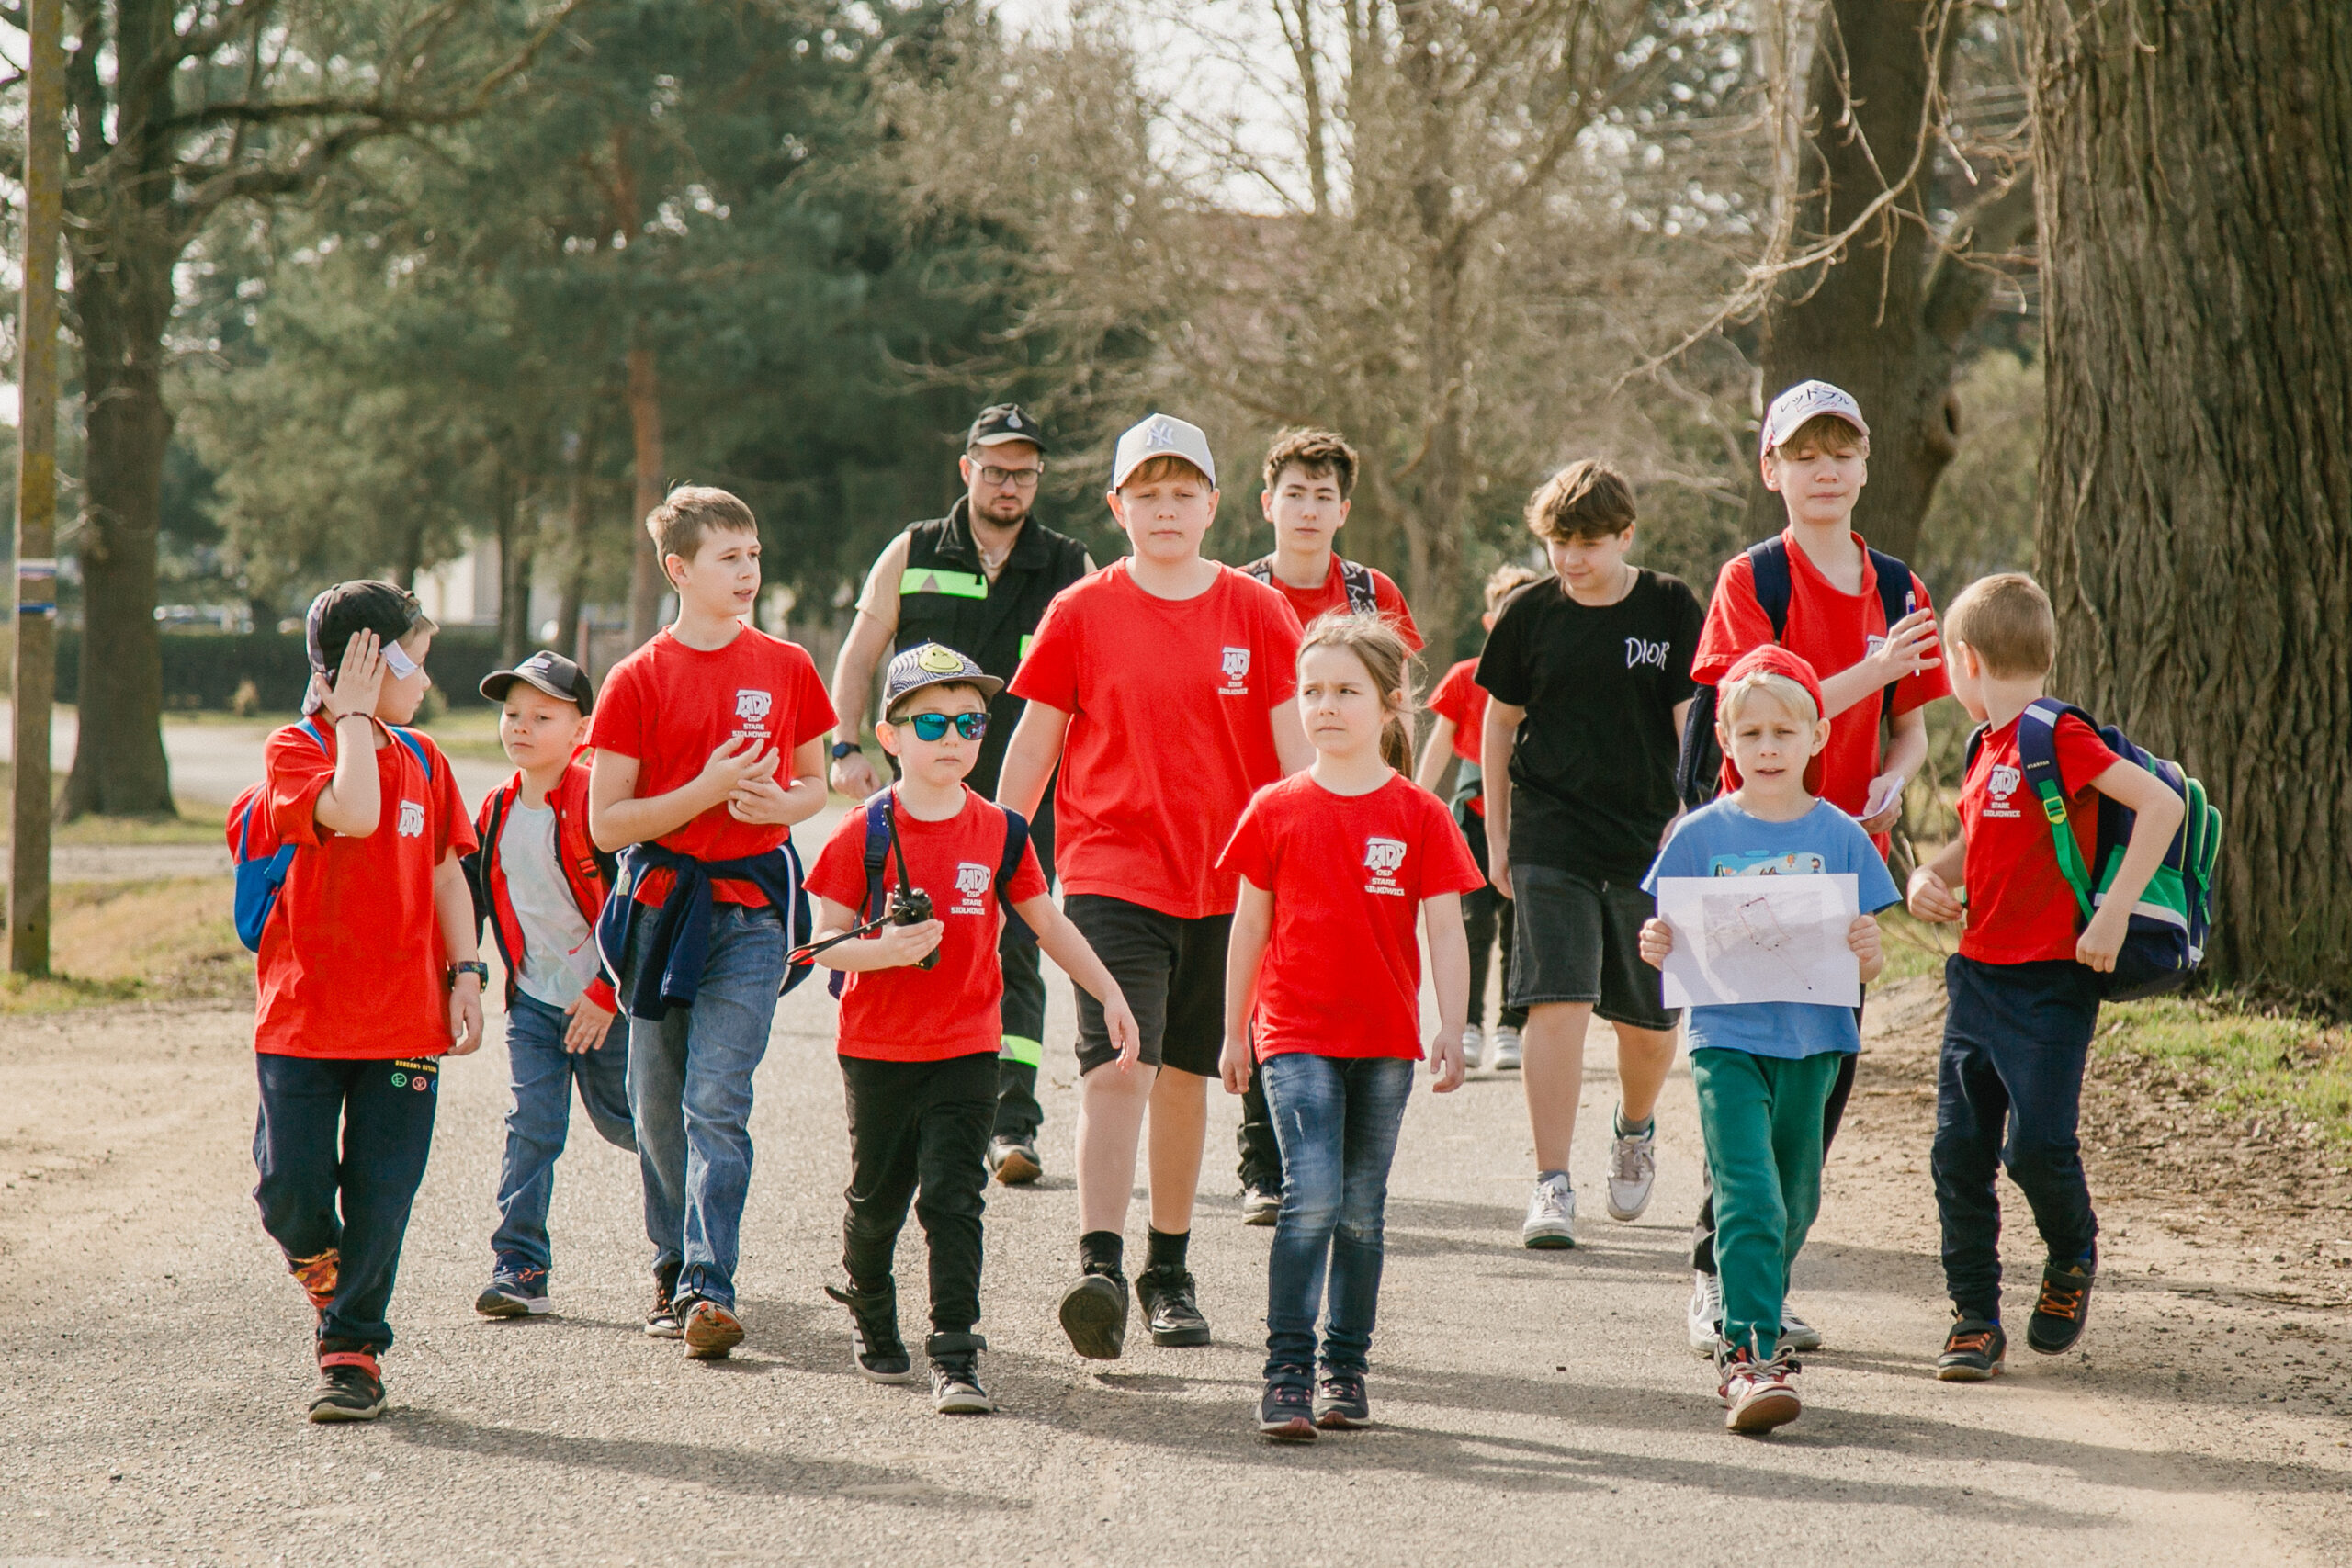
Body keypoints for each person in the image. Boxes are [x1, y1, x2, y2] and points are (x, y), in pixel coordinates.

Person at [998, 412, 1313, 1359]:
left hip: (1228, 886)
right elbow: (1033, 747)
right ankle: (1097, 1262)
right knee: (1118, 1066)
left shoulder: (1258, 614)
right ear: (1117, 506)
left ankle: (1165, 1269)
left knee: (1185, 1080)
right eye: (1148, 495)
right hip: (1109, 872)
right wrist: (991, 857)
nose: (1166, 510)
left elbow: (1294, 758)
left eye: (1183, 494)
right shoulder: (1082, 612)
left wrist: (1313, 865)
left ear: (1214, 505)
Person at [1679, 378, 1951, 1353]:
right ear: (1772, 471)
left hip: (1846, 874)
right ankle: (1721, 1281)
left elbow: (1910, 725)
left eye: (1841, 450)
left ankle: (1770, 1274)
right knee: (1744, 1074)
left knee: (1817, 1088)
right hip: (1751, 869)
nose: (1825, 468)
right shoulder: (1752, 581)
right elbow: (1766, 704)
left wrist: (1896, 780)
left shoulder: (1898, 588)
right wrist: (1872, 672)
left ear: (1866, 465)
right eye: (1804, 453)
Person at [805, 643, 1139, 1415]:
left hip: (966, 1044)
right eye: (932, 723)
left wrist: (1110, 990)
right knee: (879, 1198)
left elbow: (1046, 921)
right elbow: (822, 939)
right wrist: (883, 949)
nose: (953, 737)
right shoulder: (863, 832)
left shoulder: (1001, 831)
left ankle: (955, 1350)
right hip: (878, 1048)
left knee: (954, 1198)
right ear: (890, 736)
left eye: (970, 721)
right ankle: (869, 1291)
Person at [1905, 573, 2182, 1382]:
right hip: (1977, 980)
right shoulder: (1982, 744)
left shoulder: (2051, 735)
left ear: (1965, 661)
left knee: (2036, 1146)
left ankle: (2071, 1255)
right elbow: (1978, 842)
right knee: (1958, 1152)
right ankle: (1973, 1317)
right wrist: (1934, 875)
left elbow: (2160, 805)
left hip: (2051, 984)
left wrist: (2113, 913)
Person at [1218, 613, 1480, 1441]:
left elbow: (1446, 926)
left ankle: (1346, 1372)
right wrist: (1234, 1032)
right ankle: (1286, 1375)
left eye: (1345, 691)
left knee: (1363, 1208)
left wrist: (1453, 1022)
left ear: (1391, 704)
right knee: (1313, 1195)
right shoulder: (1274, 808)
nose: (1324, 706)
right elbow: (1248, 928)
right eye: (1310, 691)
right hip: (1292, 1031)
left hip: (1385, 1043)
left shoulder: (1420, 815)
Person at [588, 486, 835, 1360]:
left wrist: (780, 799)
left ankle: (707, 1285)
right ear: (678, 569)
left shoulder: (789, 664)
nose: (748, 573)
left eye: (754, 555)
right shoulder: (635, 679)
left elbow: (819, 784)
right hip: (658, 912)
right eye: (730, 558)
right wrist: (702, 792)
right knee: (659, 1108)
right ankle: (669, 1262)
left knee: (716, 1100)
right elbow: (605, 823)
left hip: (753, 913)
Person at [829, 404, 1095, 1186]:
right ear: (966, 468)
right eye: (995, 468)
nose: (1009, 484)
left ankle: (1010, 1122)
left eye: (1024, 472)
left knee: (1017, 943)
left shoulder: (1068, 564)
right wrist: (845, 746)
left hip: (1020, 798)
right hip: (913, 798)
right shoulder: (911, 551)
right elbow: (858, 657)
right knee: (908, 939)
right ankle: (909, 1101)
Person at [1638, 646, 1901, 1434]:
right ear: (1725, 739)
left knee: (1795, 1195)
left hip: (1818, 1037)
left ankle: (1758, 1300)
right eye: (1750, 733)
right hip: (1726, 1035)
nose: (1768, 747)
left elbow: (1873, 948)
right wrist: (1655, 941)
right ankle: (1751, 1357)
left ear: (1818, 735)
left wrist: (1869, 951)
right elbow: (1665, 927)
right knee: (1747, 1190)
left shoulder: (1846, 837)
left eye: (1784, 730)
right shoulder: (1695, 835)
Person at [249, 581, 484, 1422]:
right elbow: (353, 809)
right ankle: (334, 1281)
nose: (424, 679)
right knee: (288, 1187)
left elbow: (447, 870)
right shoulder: (295, 750)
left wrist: (466, 972)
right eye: (413, 660)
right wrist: (348, 718)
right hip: (304, 1018)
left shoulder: (426, 758)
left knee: (384, 1190)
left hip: (403, 1021)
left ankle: (351, 1349)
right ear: (364, 665)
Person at [1477, 461, 1702, 1248]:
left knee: (1646, 1023)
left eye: (1587, 543)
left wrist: (1691, 816)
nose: (1571, 559)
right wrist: (1499, 839)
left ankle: (1634, 1126)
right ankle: (1552, 1183)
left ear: (1626, 534)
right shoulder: (1530, 614)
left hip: (1647, 837)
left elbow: (1689, 725)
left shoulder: (1671, 605)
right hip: (1551, 832)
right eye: (1558, 543)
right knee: (1558, 1001)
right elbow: (1498, 724)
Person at [1229, 429, 1424, 1224]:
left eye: (1323, 496)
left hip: (1355, 816)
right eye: (1294, 494)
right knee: (1266, 971)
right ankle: (1262, 1164)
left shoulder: (1372, 594)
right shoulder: (1237, 591)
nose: (1307, 510)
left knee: (1338, 970)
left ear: (1343, 509)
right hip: (1262, 812)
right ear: (1266, 502)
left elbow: (1399, 705)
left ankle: (1333, 1152)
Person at [463, 650, 635, 1320]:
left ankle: (688, 1254)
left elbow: (635, 901)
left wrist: (606, 992)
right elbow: (474, 898)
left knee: (636, 1127)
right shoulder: (497, 807)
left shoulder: (597, 801)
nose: (521, 727)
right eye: (512, 714)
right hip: (534, 1004)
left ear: (581, 729)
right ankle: (519, 1265)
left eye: (542, 715)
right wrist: (463, 976)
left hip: (605, 1004)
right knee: (531, 1127)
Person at [1414, 561, 1544, 1072]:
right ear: (1491, 622)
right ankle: (1467, 1023)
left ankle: (1512, 1027)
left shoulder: (1547, 680)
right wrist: (1416, 807)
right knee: (1473, 923)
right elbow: (1439, 747)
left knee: (1520, 924)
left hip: (1529, 820)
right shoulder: (1465, 677)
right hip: (1471, 817)